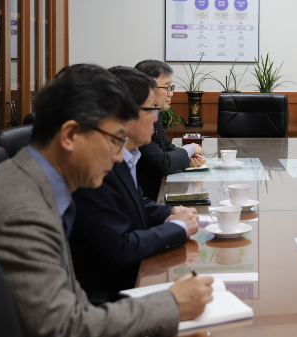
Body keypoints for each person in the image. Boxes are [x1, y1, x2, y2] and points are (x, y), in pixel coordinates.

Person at [0, 64, 213, 336]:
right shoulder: (21, 212)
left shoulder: (39, 182)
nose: (118, 157)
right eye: (115, 140)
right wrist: (172, 304)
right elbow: (66, 327)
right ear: (70, 136)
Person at [70, 67, 200, 302]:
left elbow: (135, 202)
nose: (157, 115)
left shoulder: (124, 156)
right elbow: (120, 247)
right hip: (106, 298)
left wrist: (171, 213)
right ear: (123, 114)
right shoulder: (93, 164)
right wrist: (177, 227)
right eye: (152, 108)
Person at [135, 59, 205, 200]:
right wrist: (190, 148)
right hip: (147, 197)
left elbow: (166, 146)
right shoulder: (136, 120)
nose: (171, 93)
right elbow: (163, 163)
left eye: (171, 87)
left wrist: (188, 157)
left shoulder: (156, 114)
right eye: (166, 87)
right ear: (147, 88)